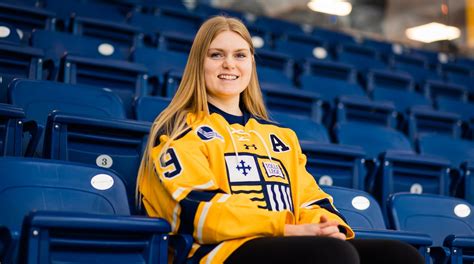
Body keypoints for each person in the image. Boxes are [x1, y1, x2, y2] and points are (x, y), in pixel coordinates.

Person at [137, 16, 424, 264]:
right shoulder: (178, 131)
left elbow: (311, 199)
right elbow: (198, 211)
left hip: (287, 242)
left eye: (240, 55)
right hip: (219, 252)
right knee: (332, 256)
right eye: (216, 55)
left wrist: (325, 225)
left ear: (251, 62)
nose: (229, 64)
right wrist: (286, 228)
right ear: (198, 63)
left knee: (400, 255)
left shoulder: (280, 137)